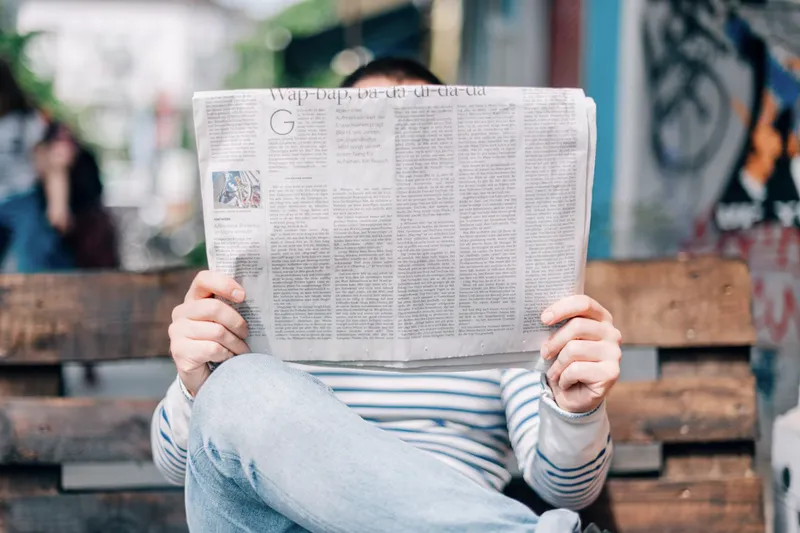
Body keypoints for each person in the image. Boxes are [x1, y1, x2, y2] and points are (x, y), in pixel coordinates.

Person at [152, 58, 621, 533]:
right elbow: (177, 464)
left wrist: (576, 410)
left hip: (453, 511)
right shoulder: (254, 292)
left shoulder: (505, 294)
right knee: (238, 387)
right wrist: (197, 383)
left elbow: (567, 489)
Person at [0, 57, 73, 272]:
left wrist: (58, 205)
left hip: (22, 199)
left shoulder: (25, 121)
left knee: (28, 254)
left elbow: (51, 166)